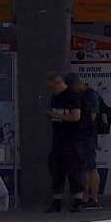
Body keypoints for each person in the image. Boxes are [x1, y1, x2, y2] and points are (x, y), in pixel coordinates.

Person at [44, 72, 83, 213]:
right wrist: (51, 116)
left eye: (52, 87)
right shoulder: (55, 98)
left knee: (74, 169)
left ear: (58, 83)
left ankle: (78, 200)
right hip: (58, 138)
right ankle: (57, 200)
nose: (51, 90)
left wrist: (56, 115)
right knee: (56, 169)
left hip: (72, 139)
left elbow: (76, 116)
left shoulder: (72, 96)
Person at [66, 74, 102, 209]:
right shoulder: (79, 96)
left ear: (78, 84)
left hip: (88, 135)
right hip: (80, 135)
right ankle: (85, 197)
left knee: (90, 166)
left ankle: (94, 198)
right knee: (84, 167)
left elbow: (92, 117)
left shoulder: (91, 95)